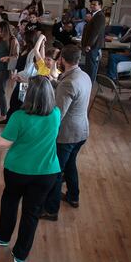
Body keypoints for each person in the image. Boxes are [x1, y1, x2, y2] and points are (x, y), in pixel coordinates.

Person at [0, 76, 60, 262]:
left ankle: (3, 237)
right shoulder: (56, 114)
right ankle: (21, 255)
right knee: (32, 213)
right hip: (47, 173)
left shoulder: (19, 117)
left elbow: (2, 143)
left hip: (18, 171)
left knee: (10, 202)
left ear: (29, 95)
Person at [40, 45, 91, 221]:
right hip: (82, 131)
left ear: (62, 59)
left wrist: (43, 132)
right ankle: (73, 196)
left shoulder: (68, 83)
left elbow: (58, 114)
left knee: (55, 172)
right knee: (70, 165)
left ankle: (51, 210)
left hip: (67, 134)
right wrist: (54, 82)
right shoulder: (83, 75)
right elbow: (71, 92)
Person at [81, 0, 105, 81]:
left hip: (93, 45)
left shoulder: (100, 16)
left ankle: (90, 82)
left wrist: (89, 45)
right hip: (91, 45)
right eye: (91, 4)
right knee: (88, 64)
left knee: (91, 65)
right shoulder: (94, 15)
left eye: (95, 4)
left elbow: (96, 33)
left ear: (100, 6)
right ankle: (88, 81)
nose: (92, 6)